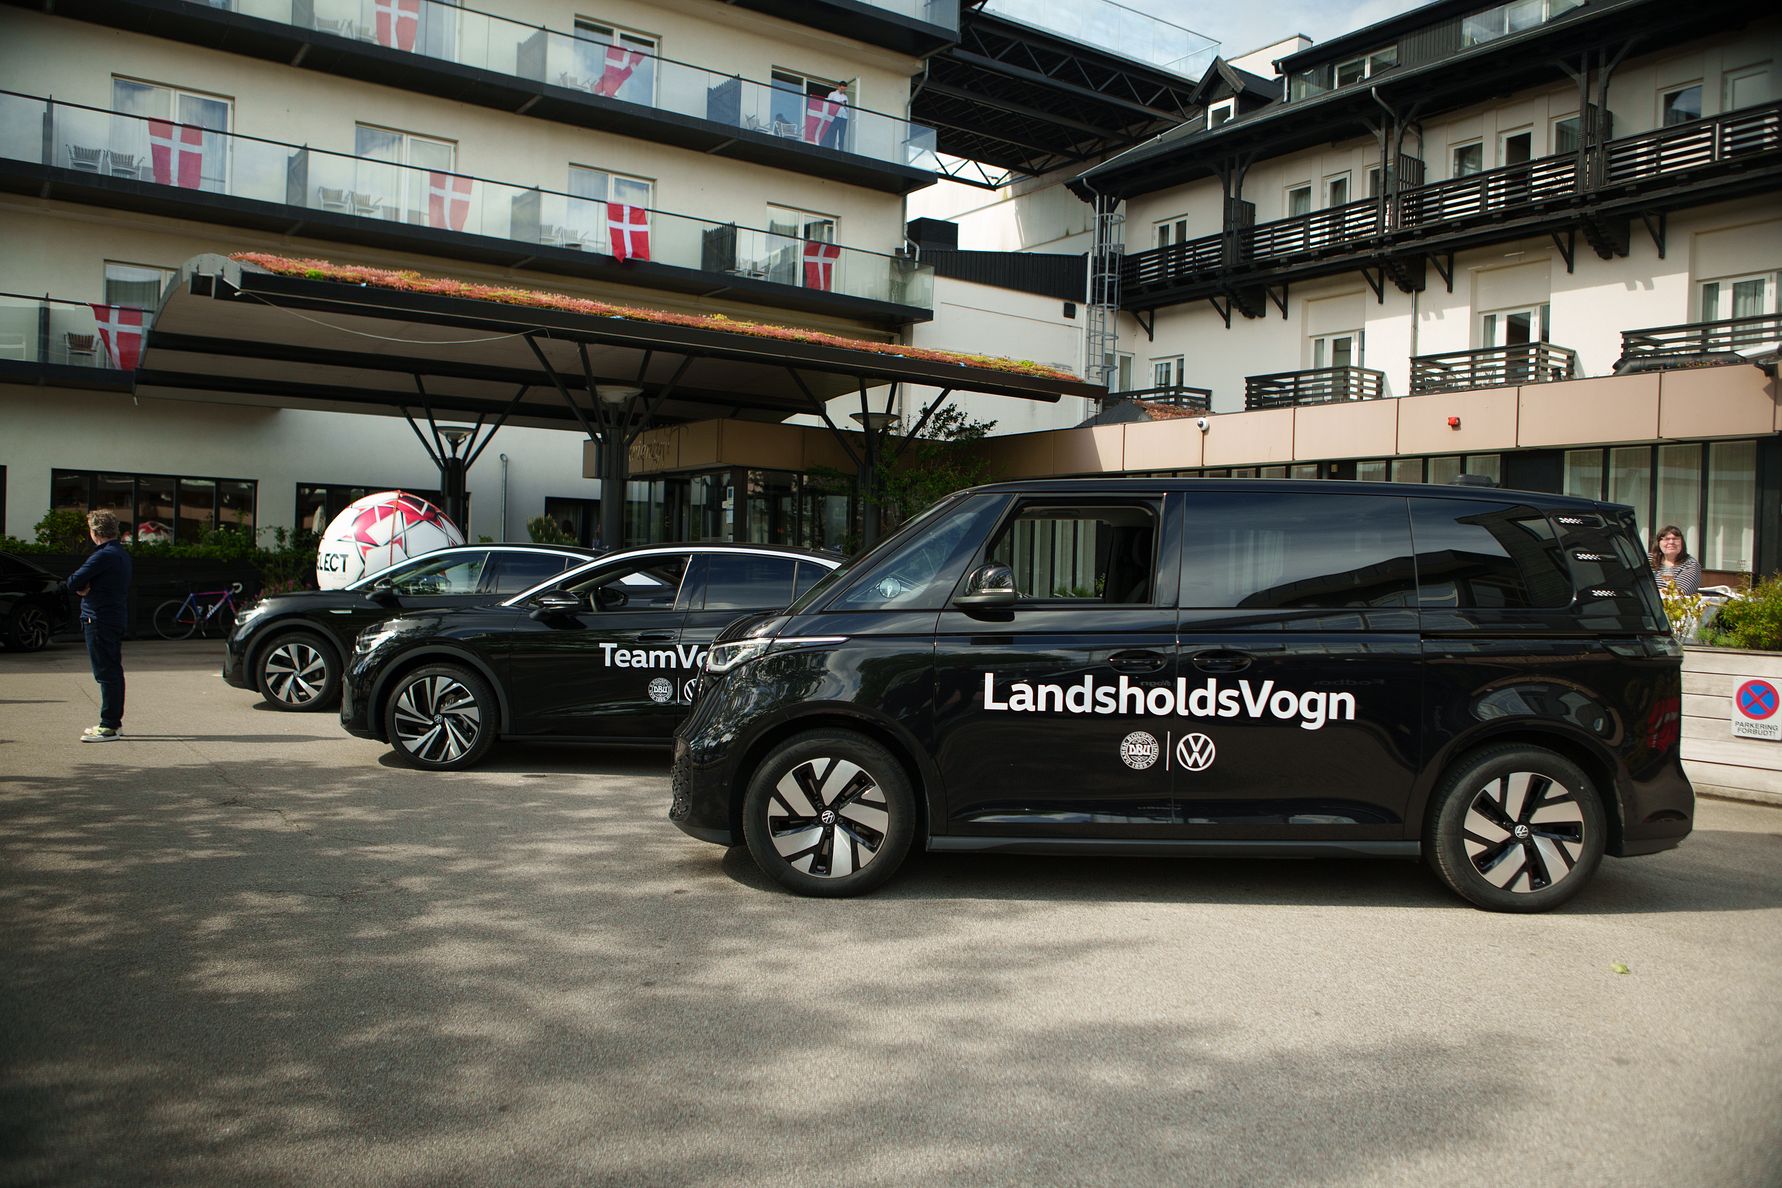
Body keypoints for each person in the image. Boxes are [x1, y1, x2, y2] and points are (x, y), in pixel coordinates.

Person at [68, 509, 133, 742]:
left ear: (95, 532)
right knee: (112, 670)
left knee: (106, 673)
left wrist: (83, 588)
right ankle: (113, 722)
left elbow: (73, 581)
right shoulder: (121, 554)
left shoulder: (103, 556)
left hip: (99, 619)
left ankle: (109, 725)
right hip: (113, 617)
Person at [1650, 525, 1701, 595]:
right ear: (1658, 543)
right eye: (1666, 539)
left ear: (1682, 543)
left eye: (1675, 539)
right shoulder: (1648, 560)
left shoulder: (1690, 564)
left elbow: (1680, 592)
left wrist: (1650, 593)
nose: (1671, 542)